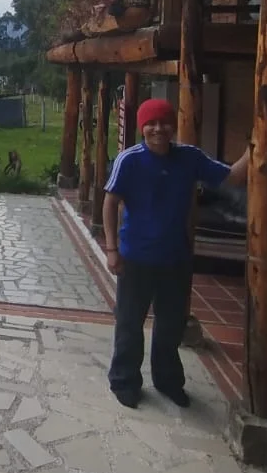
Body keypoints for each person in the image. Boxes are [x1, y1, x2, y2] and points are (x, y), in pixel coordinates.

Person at [103, 97, 249, 408]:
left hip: (175, 258)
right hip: (135, 258)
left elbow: (232, 176)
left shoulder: (189, 158)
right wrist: (111, 249)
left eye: (165, 123)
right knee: (129, 323)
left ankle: (168, 381)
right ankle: (125, 381)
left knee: (171, 325)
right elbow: (110, 202)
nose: (158, 129)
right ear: (142, 127)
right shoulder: (129, 160)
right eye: (151, 123)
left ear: (173, 126)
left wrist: (254, 148)